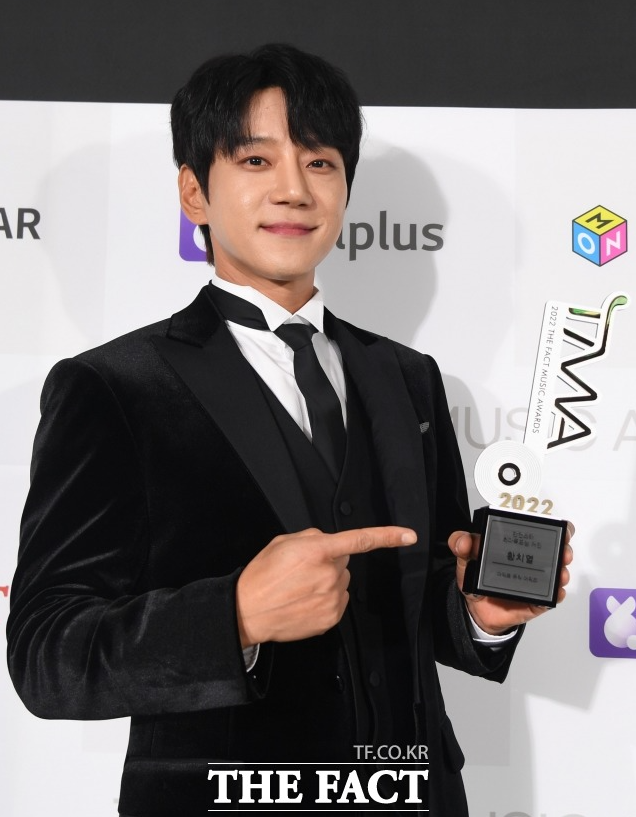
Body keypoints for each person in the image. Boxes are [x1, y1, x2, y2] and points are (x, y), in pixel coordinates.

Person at [7, 44, 572, 816]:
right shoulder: (112, 386)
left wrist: (481, 613)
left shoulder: (408, 376)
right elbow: (47, 654)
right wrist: (234, 613)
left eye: (319, 162)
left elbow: (421, 610)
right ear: (194, 191)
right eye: (255, 159)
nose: (293, 189)